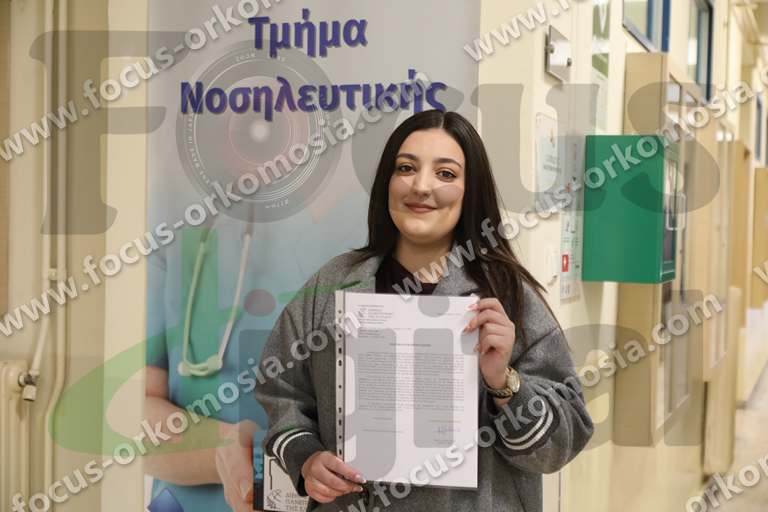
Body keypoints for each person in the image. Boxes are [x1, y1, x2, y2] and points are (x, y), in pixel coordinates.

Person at [254, 109, 595, 511]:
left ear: (470, 191)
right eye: (406, 168)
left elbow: (559, 446)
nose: (421, 186)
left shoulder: (508, 298)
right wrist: (307, 457)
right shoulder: (331, 285)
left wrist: (504, 383)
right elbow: (281, 390)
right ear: (387, 182)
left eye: (445, 174)